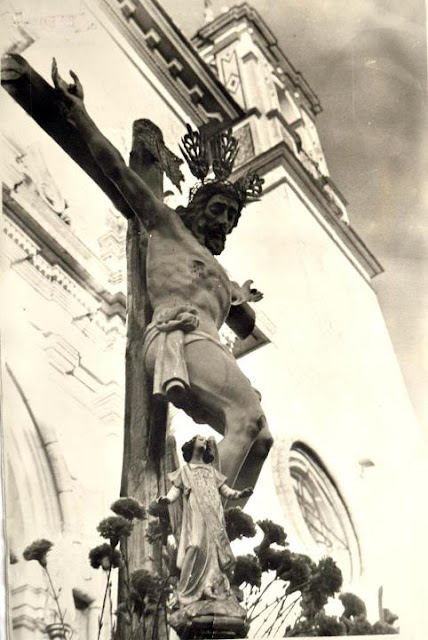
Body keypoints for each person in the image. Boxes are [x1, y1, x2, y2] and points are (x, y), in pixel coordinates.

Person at [51, 60, 274, 496]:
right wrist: (77, 113)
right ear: (196, 208)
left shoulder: (220, 274)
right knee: (244, 419)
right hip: (178, 336)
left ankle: (220, 532)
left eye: (231, 216)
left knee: (261, 438)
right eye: (217, 209)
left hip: (209, 344)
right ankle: (204, 524)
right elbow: (117, 169)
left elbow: (245, 325)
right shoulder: (166, 225)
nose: (224, 221)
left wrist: (239, 297)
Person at [158, 435, 252, 605]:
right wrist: (167, 499)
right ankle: (186, 588)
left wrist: (239, 494)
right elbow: (175, 490)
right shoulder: (185, 470)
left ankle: (211, 584)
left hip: (214, 513)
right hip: (197, 512)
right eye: (200, 439)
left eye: (204, 440)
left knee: (214, 548)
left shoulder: (211, 470)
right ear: (192, 444)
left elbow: (225, 490)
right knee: (194, 545)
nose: (204, 441)